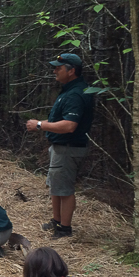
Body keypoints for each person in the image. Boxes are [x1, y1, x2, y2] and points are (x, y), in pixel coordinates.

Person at [26, 53, 94, 238]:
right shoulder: (69, 90)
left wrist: (40, 125)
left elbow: (69, 125)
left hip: (68, 148)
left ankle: (64, 229)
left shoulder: (75, 93)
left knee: (64, 189)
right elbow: (60, 120)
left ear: (71, 71)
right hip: (61, 148)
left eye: (59, 68)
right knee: (56, 185)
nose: (54, 70)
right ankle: (57, 221)